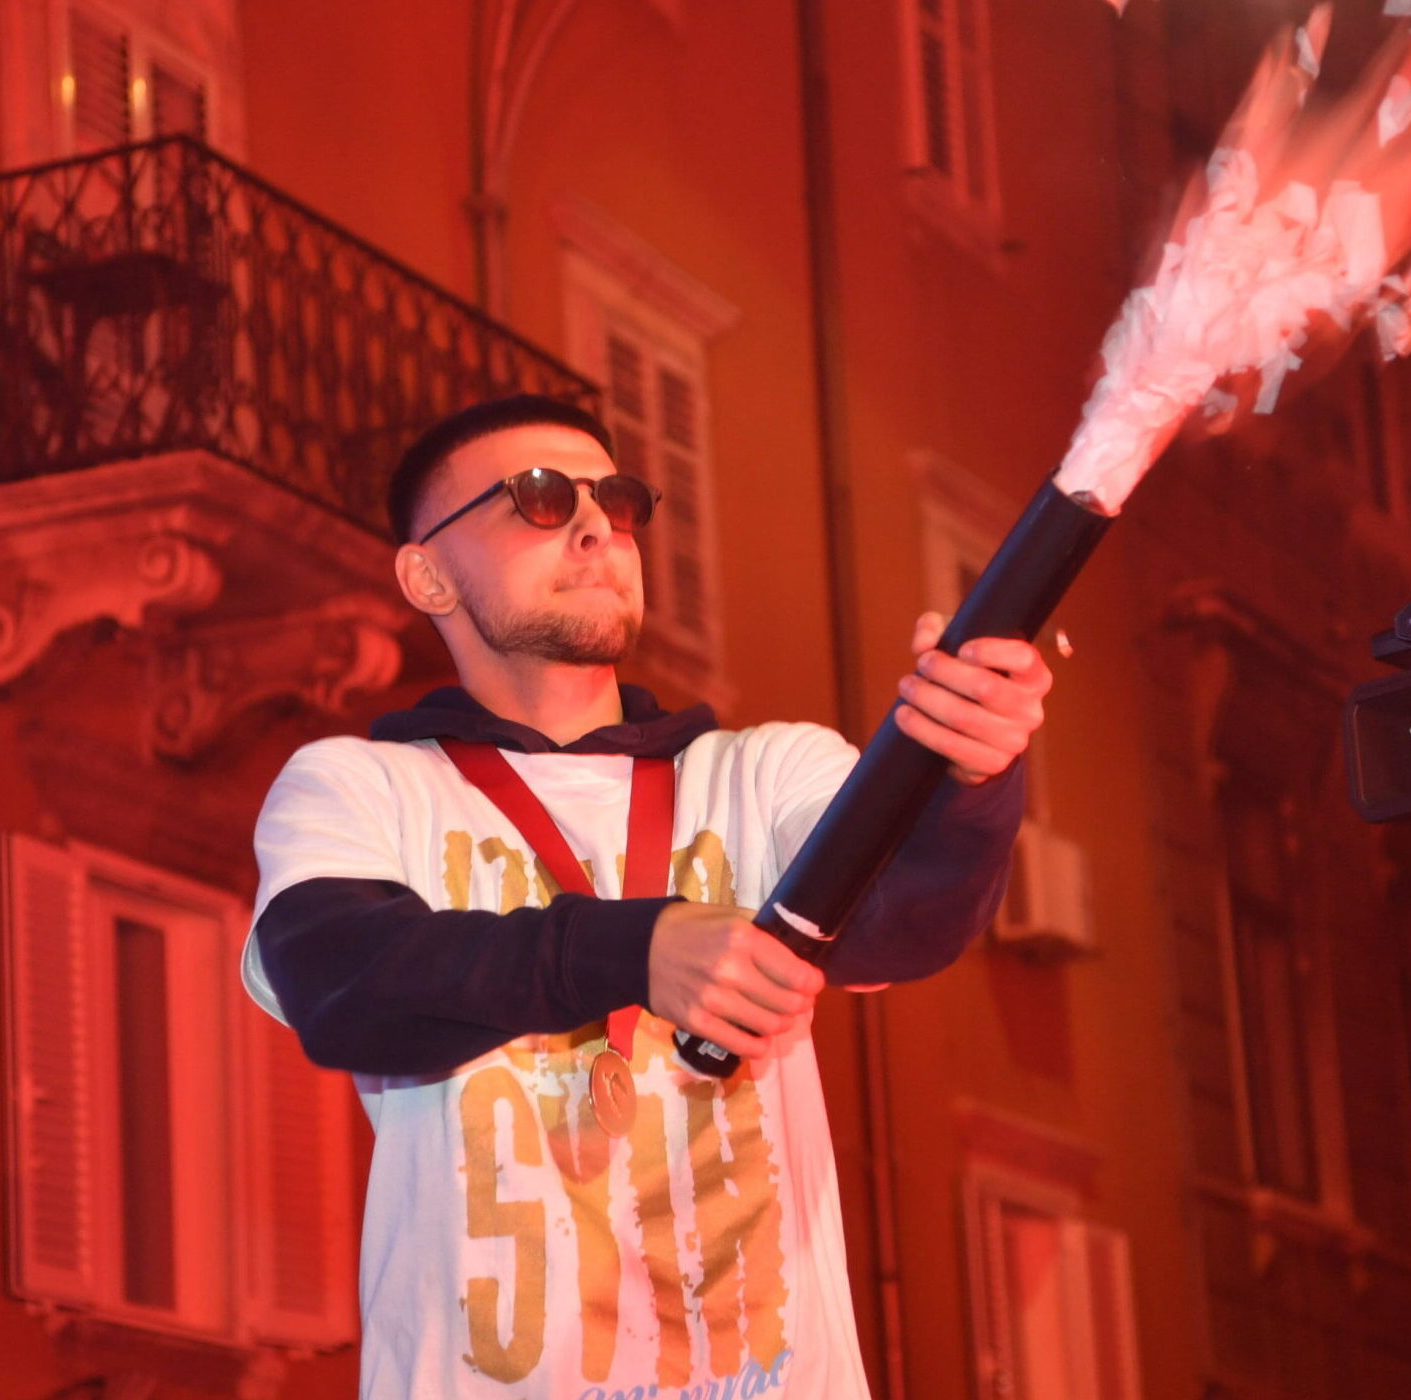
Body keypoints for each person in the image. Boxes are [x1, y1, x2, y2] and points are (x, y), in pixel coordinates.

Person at [241, 395, 1050, 1399]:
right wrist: (639, 946)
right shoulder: (358, 786)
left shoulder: (766, 772)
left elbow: (907, 920)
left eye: (616, 501)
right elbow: (345, 985)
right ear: (427, 573)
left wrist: (975, 781)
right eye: (539, 497)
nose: (596, 527)